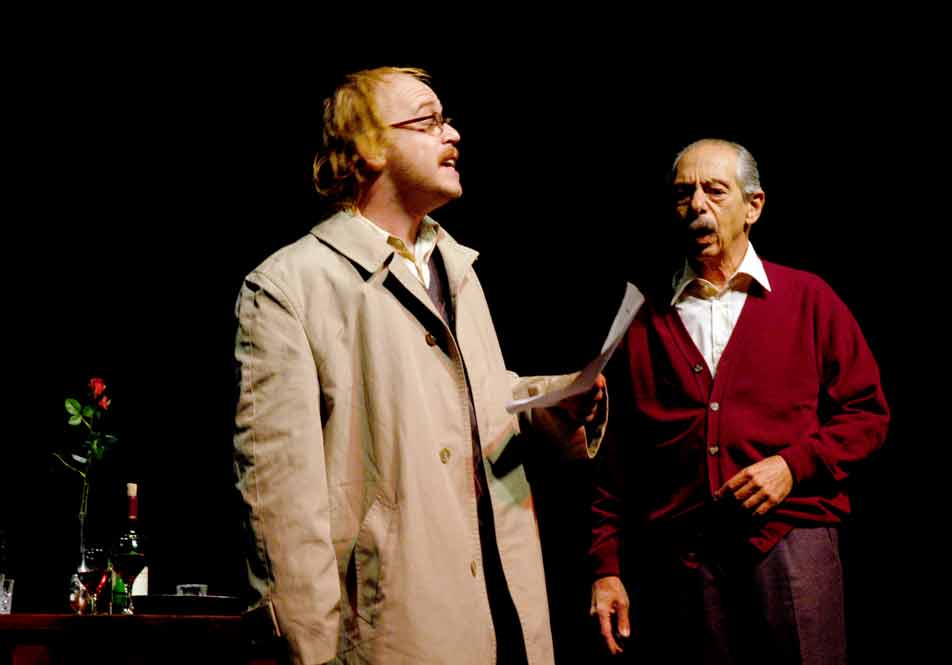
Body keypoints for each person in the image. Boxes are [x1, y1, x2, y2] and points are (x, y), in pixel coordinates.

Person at [233, 66, 607, 665]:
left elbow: (470, 407)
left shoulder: (455, 266)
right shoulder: (290, 286)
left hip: (502, 607)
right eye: (428, 121)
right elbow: (280, 507)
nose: (452, 134)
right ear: (369, 147)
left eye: (447, 120)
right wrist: (307, 651)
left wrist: (552, 402)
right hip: (396, 625)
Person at [589, 138, 889, 665]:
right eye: (683, 194)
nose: (696, 205)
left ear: (754, 206)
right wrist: (605, 566)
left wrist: (793, 466)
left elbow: (867, 414)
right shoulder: (642, 320)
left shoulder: (808, 298)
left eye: (714, 190)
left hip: (792, 543)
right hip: (684, 563)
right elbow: (615, 455)